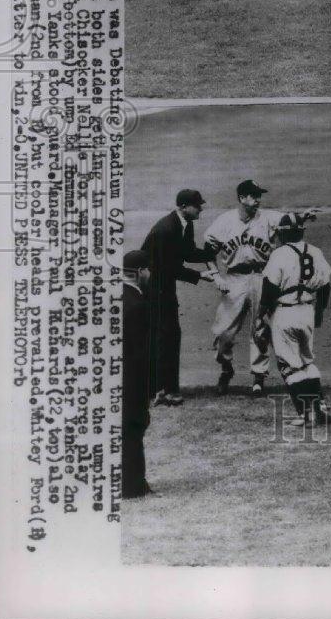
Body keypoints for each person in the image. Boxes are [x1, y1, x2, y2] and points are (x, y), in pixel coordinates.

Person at [201, 180, 284, 397]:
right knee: (223, 333)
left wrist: (305, 215)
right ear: (241, 198)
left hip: (260, 277)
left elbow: (290, 221)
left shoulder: (268, 217)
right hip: (234, 279)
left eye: (259, 196)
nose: (257, 200)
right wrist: (216, 275)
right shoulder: (224, 221)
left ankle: (258, 377)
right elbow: (207, 250)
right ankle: (226, 369)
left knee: (260, 329)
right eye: (253, 196)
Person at [255, 213, 331, 425]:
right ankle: (321, 407)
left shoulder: (279, 254)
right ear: (301, 232)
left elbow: (269, 291)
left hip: (285, 312)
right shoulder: (316, 251)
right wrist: (318, 314)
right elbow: (326, 286)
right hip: (307, 310)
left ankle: (306, 414)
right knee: (307, 360)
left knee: (289, 365)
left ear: (282, 234)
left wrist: (260, 317)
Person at [140, 189, 216, 406]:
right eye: (197, 205)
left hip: (162, 286)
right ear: (184, 207)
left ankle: (157, 389)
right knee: (166, 336)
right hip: (152, 289)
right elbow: (167, 267)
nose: (201, 208)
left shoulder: (184, 223)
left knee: (166, 336)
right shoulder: (166, 229)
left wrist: (210, 253)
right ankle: (165, 391)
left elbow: (187, 251)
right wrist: (199, 275)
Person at [122, 249, 152, 498]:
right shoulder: (137, 303)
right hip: (131, 380)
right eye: (148, 270)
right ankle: (133, 485)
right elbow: (140, 353)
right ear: (140, 271)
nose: (149, 275)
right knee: (134, 426)